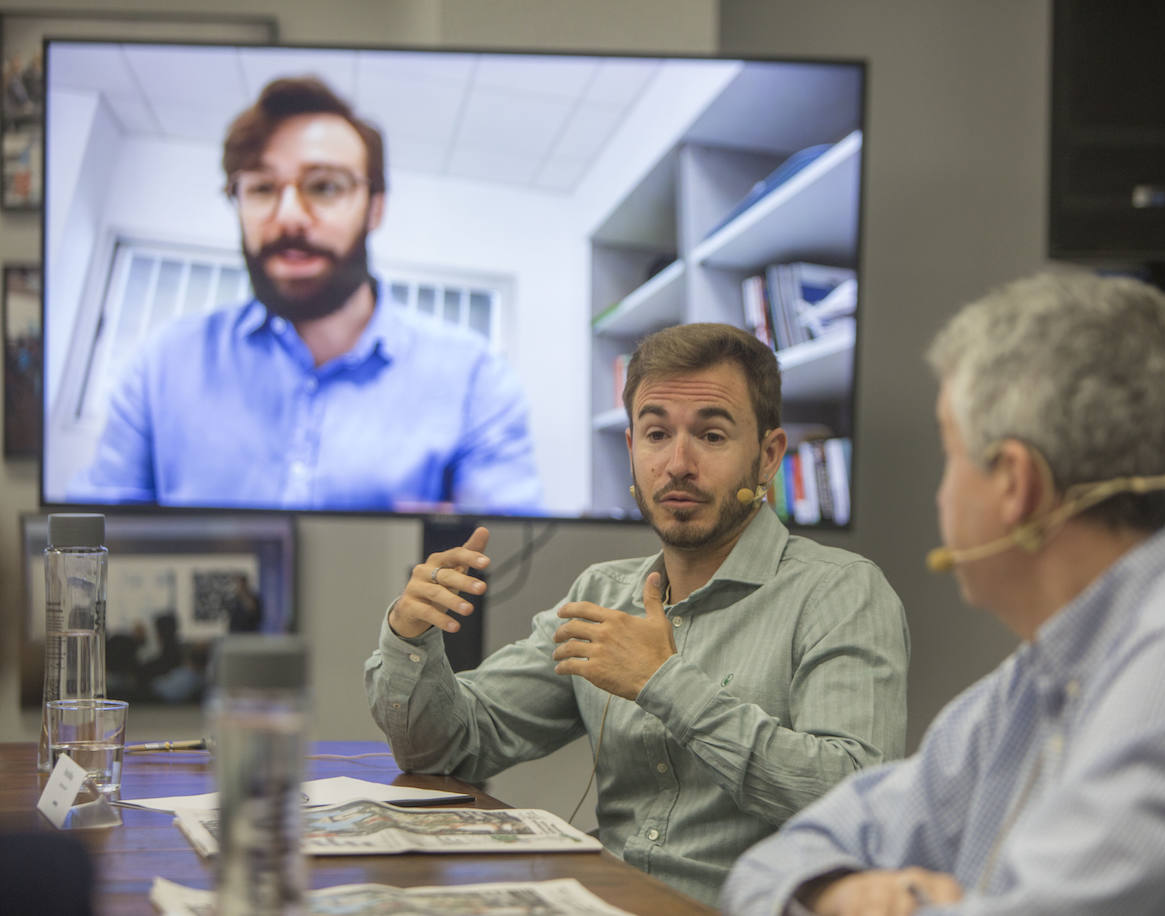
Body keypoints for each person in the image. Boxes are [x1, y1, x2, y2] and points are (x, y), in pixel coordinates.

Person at [721, 272, 1165, 915]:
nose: (942, 494)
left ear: (1016, 484)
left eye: (951, 454)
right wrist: (835, 891)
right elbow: (770, 867)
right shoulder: (1041, 677)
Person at [365, 322, 911, 905]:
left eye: (712, 435)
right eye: (656, 434)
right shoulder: (602, 592)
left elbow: (853, 801)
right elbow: (452, 746)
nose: (677, 463)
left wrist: (666, 683)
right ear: (632, 450)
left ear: (768, 456)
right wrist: (410, 634)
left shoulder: (843, 592)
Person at [70, 76, 541, 513]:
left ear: (374, 208)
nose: (290, 215)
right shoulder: (162, 364)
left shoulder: (474, 378)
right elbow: (90, 551)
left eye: (325, 186)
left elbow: (511, 561)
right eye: (261, 187)